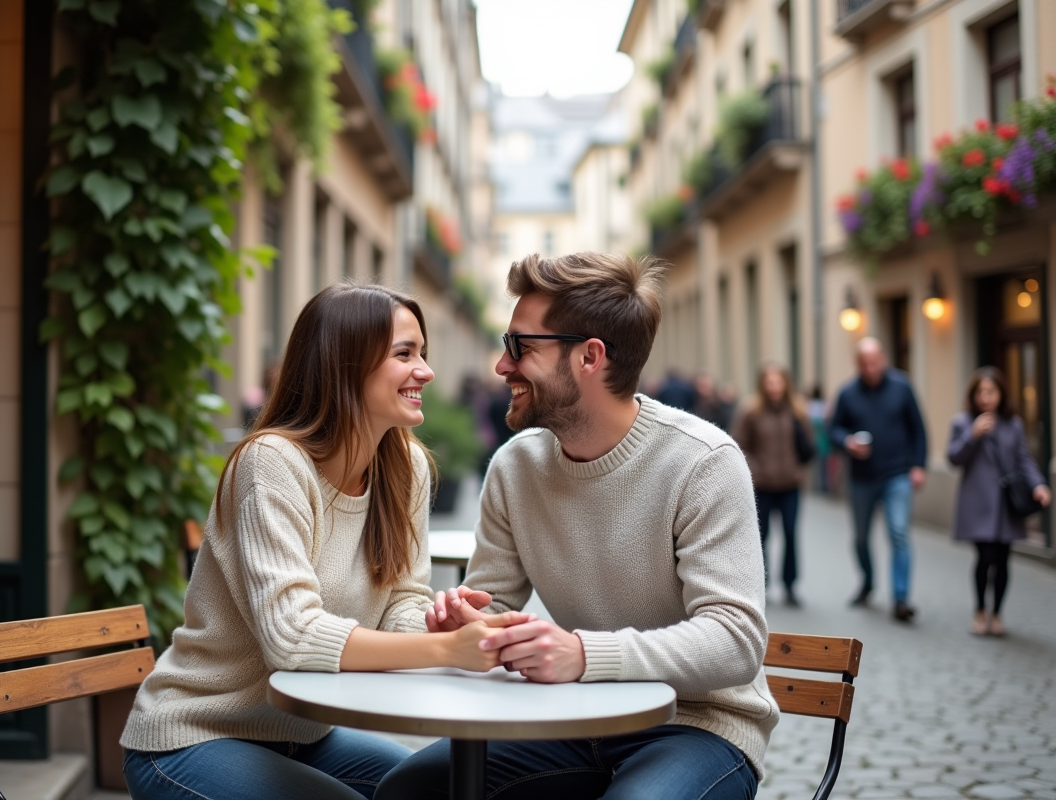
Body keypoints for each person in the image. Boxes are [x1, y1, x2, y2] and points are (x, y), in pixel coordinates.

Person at [376, 253, 776, 800]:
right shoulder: (515, 466)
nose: (501, 365)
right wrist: (467, 625)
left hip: (698, 727)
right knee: (409, 791)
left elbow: (735, 641)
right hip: (574, 720)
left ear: (590, 357)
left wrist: (585, 656)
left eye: (521, 346)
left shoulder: (703, 462)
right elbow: (490, 604)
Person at [120, 283, 531, 800]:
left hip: (302, 734)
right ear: (345, 364)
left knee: (430, 787)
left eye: (422, 353)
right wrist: (447, 648)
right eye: (405, 354)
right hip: (194, 735)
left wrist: (439, 624)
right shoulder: (272, 463)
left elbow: (401, 601)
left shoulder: (406, 469)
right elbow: (291, 638)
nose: (425, 371)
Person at [946, 367, 1051, 636]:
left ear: (1001, 394)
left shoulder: (1013, 424)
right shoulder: (962, 422)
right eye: (980, 392)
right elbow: (954, 457)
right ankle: (980, 610)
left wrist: (1038, 484)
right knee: (984, 557)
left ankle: (997, 613)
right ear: (973, 395)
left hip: (1005, 503)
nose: (985, 398)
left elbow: (1023, 459)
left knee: (1003, 560)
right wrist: (973, 435)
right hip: (977, 501)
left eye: (991, 392)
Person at [829, 337, 928, 622]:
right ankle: (868, 582)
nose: (870, 368)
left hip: (897, 475)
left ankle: (901, 598)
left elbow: (918, 429)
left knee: (898, 533)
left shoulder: (902, 387)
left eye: (874, 362)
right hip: (861, 478)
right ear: (857, 364)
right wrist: (847, 442)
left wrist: (918, 466)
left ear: (883, 359)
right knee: (861, 537)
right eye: (864, 363)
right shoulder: (847, 393)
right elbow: (834, 430)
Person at [732, 362, 813, 607]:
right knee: (761, 537)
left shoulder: (797, 411)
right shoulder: (751, 411)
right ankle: (761, 586)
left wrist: (798, 468)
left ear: (785, 384)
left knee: (790, 533)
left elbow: (809, 444)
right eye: (769, 381)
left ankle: (790, 585)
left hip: (790, 484)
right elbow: (739, 445)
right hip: (762, 485)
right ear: (762, 384)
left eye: (778, 381)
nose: (774, 386)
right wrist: (755, 469)